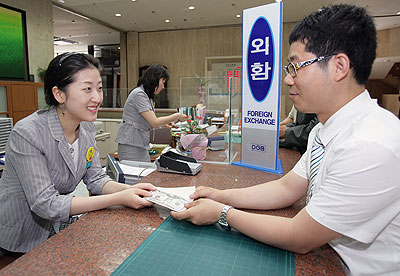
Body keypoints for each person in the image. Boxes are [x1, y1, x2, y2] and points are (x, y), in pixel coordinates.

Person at [171, 5, 400, 276]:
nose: (288, 79)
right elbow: (286, 189)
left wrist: (222, 212)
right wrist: (220, 194)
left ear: (339, 66)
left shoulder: (371, 142)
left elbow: (300, 236)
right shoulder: (325, 129)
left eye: (296, 66)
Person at [0, 53, 156, 256]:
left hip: (55, 228)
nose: (97, 98)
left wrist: (133, 190)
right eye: (87, 89)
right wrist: (120, 197)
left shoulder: (87, 128)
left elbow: (96, 179)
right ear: (59, 95)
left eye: (99, 88)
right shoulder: (28, 133)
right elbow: (46, 203)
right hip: (20, 238)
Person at [116, 64, 185, 162]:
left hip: (140, 145)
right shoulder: (139, 94)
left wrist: (164, 124)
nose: (163, 87)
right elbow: (154, 122)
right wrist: (177, 116)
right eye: (163, 82)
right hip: (131, 146)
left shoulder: (147, 96)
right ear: (155, 79)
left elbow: (149, 121)